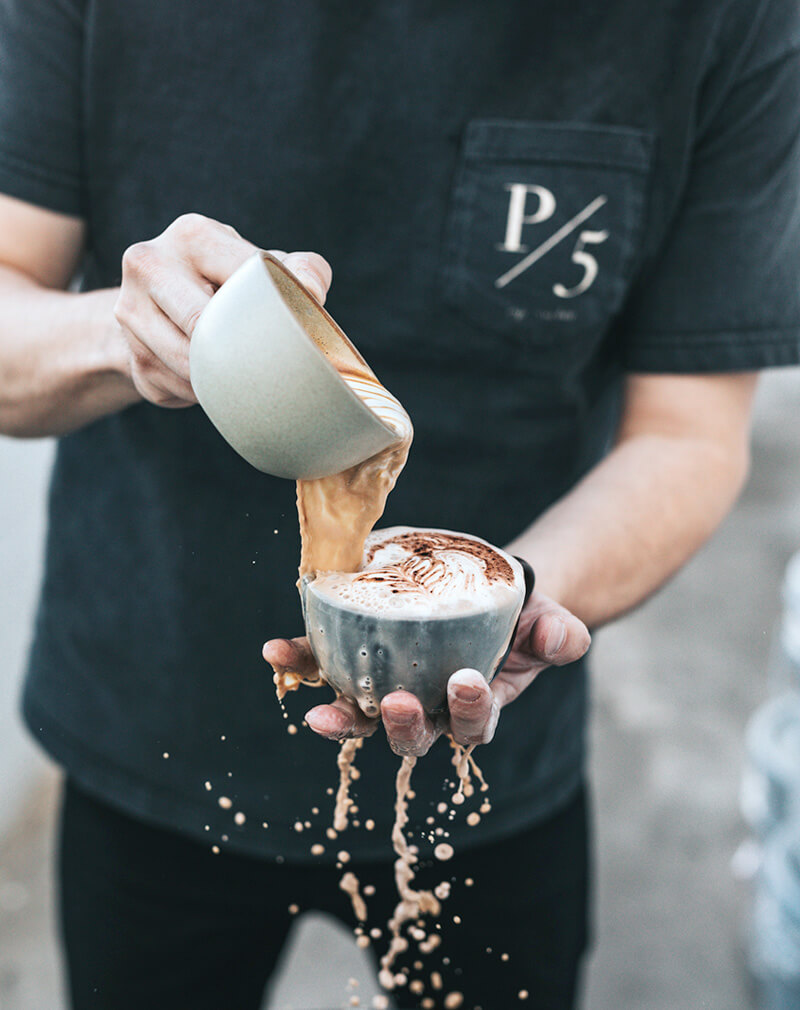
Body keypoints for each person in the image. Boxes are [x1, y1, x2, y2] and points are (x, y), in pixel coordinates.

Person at [0, 0, 798, 1007]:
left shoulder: (723, 22)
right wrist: (125, 336)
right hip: (149, 719)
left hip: (490, 765)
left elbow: (688, 434)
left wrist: (512, 606)